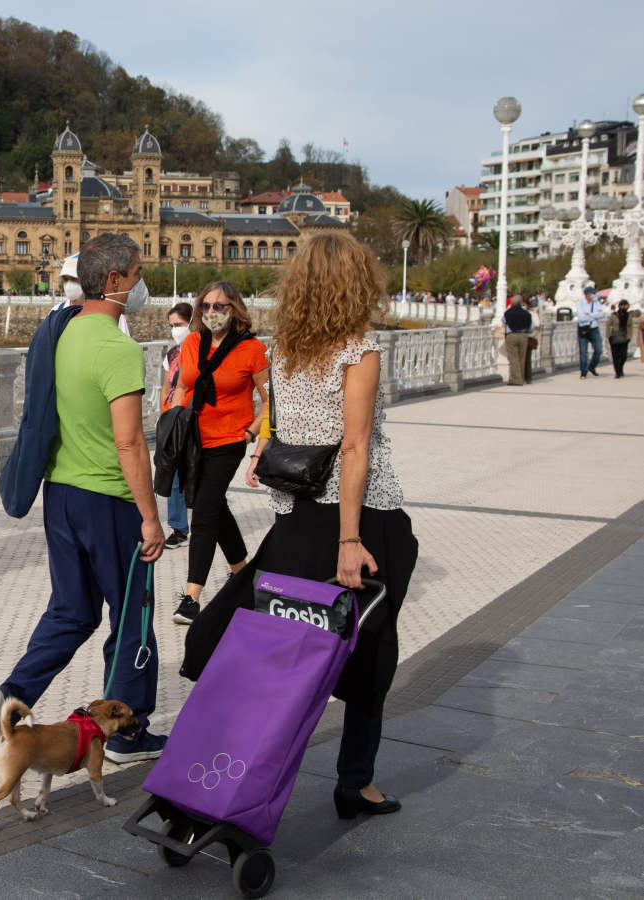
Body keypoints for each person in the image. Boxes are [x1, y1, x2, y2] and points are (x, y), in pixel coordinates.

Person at [184, 231, 418, 820]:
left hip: (297, 519)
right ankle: (354, 782)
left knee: (271, 643)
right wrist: (350, 539)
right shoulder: (357, 351)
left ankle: (221, 774)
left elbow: (284, 432)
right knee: (370, 651)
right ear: (357, 284)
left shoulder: (284, 349)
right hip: (361, 521)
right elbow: (355, 448)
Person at [0, 233, 167, 765]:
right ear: (112, 283)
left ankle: (12, 700)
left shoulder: (59, 332)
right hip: (109, 499)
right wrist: (151, 519)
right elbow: (130, 442)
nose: (138, 285)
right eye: (135, 275)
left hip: (60, 494)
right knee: (132, 616)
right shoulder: (117, 347)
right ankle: (127, 732)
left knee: (72, 610)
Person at [166, 282, 267, 626]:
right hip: (193, 439)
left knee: (205, 511)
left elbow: (272, 401)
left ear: (234, 309)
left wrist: (251, 432)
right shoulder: (193, 342)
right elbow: (183, 385)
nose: (212, 313)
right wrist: (174, 421)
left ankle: (191, 598)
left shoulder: (252, 349)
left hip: (229, 440)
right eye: (206, 306)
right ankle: (243, 575)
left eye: (220, 306)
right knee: (215, 506)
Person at [162, 302, 195, 549]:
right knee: (172, 474)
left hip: (194, 418)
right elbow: (167, 385)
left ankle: (210, 521)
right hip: (173, 419)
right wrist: (165, 413)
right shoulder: (172, 354)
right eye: (172, 325)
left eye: (179, 325)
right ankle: (179, 528)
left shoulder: (201, 351)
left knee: (197, 471)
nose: (175, 330)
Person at [51, 252, 130, 335]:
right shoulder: (56, 311)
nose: (69, 284)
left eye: (74, 279)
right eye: (66, 279)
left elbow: (124, 345)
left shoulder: (113, 314)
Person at [576, 285, 609, 378]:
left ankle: (592, 366)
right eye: (593, 293)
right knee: (583, 352)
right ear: (588, 294)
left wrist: (589, 314)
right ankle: (583, 371)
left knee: (598, 350)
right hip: (584, 329)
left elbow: (601, 314)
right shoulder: (580, 304)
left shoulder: (596, 302)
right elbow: (581, 318)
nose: (595, 295)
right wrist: (594, 315)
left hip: (594, 328)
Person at [501, 294, 533, 386]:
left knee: (513, 358)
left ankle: (516, 379)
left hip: (511, 335)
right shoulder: (527, 314)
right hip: (523, 336)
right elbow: (531, 326)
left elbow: (503, 321)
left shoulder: (507, 313)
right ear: (521, 303)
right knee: (522, 358)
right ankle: (520, 378)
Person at [607, 300, 632, 378]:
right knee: (615, 355)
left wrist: (629, 337)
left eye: (625, 305)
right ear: (619, 306)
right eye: (622, 305)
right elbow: (608, 325)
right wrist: (609, 336)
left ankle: (620, 368)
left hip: (624, 337)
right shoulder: (614, 315)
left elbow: (630, 326)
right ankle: (618, 372)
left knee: (623, 356)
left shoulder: (628, 315)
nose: (624, 307)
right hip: (614, 337)